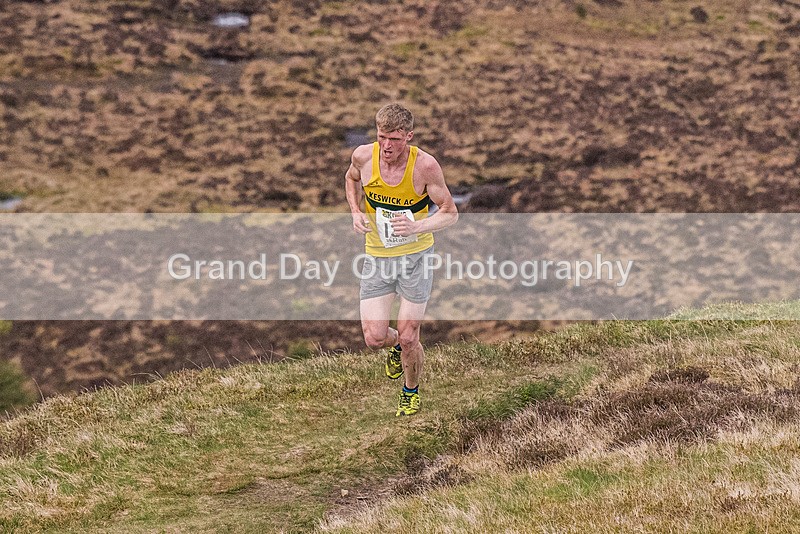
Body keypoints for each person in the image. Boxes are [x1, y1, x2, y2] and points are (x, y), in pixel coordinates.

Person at [344, 103, 458, 416]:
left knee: (410, 336)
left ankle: (410, 391)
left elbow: (450, 213)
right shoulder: (363, 157)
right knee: (374, 338)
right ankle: (394, 345)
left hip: (416, 259)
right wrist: (355, 211)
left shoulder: (425, 167)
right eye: (382, 137)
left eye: (394, 139)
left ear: (408, 136)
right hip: (378, 257)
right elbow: (351, 179)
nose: (387, 146)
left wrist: (416, 227)